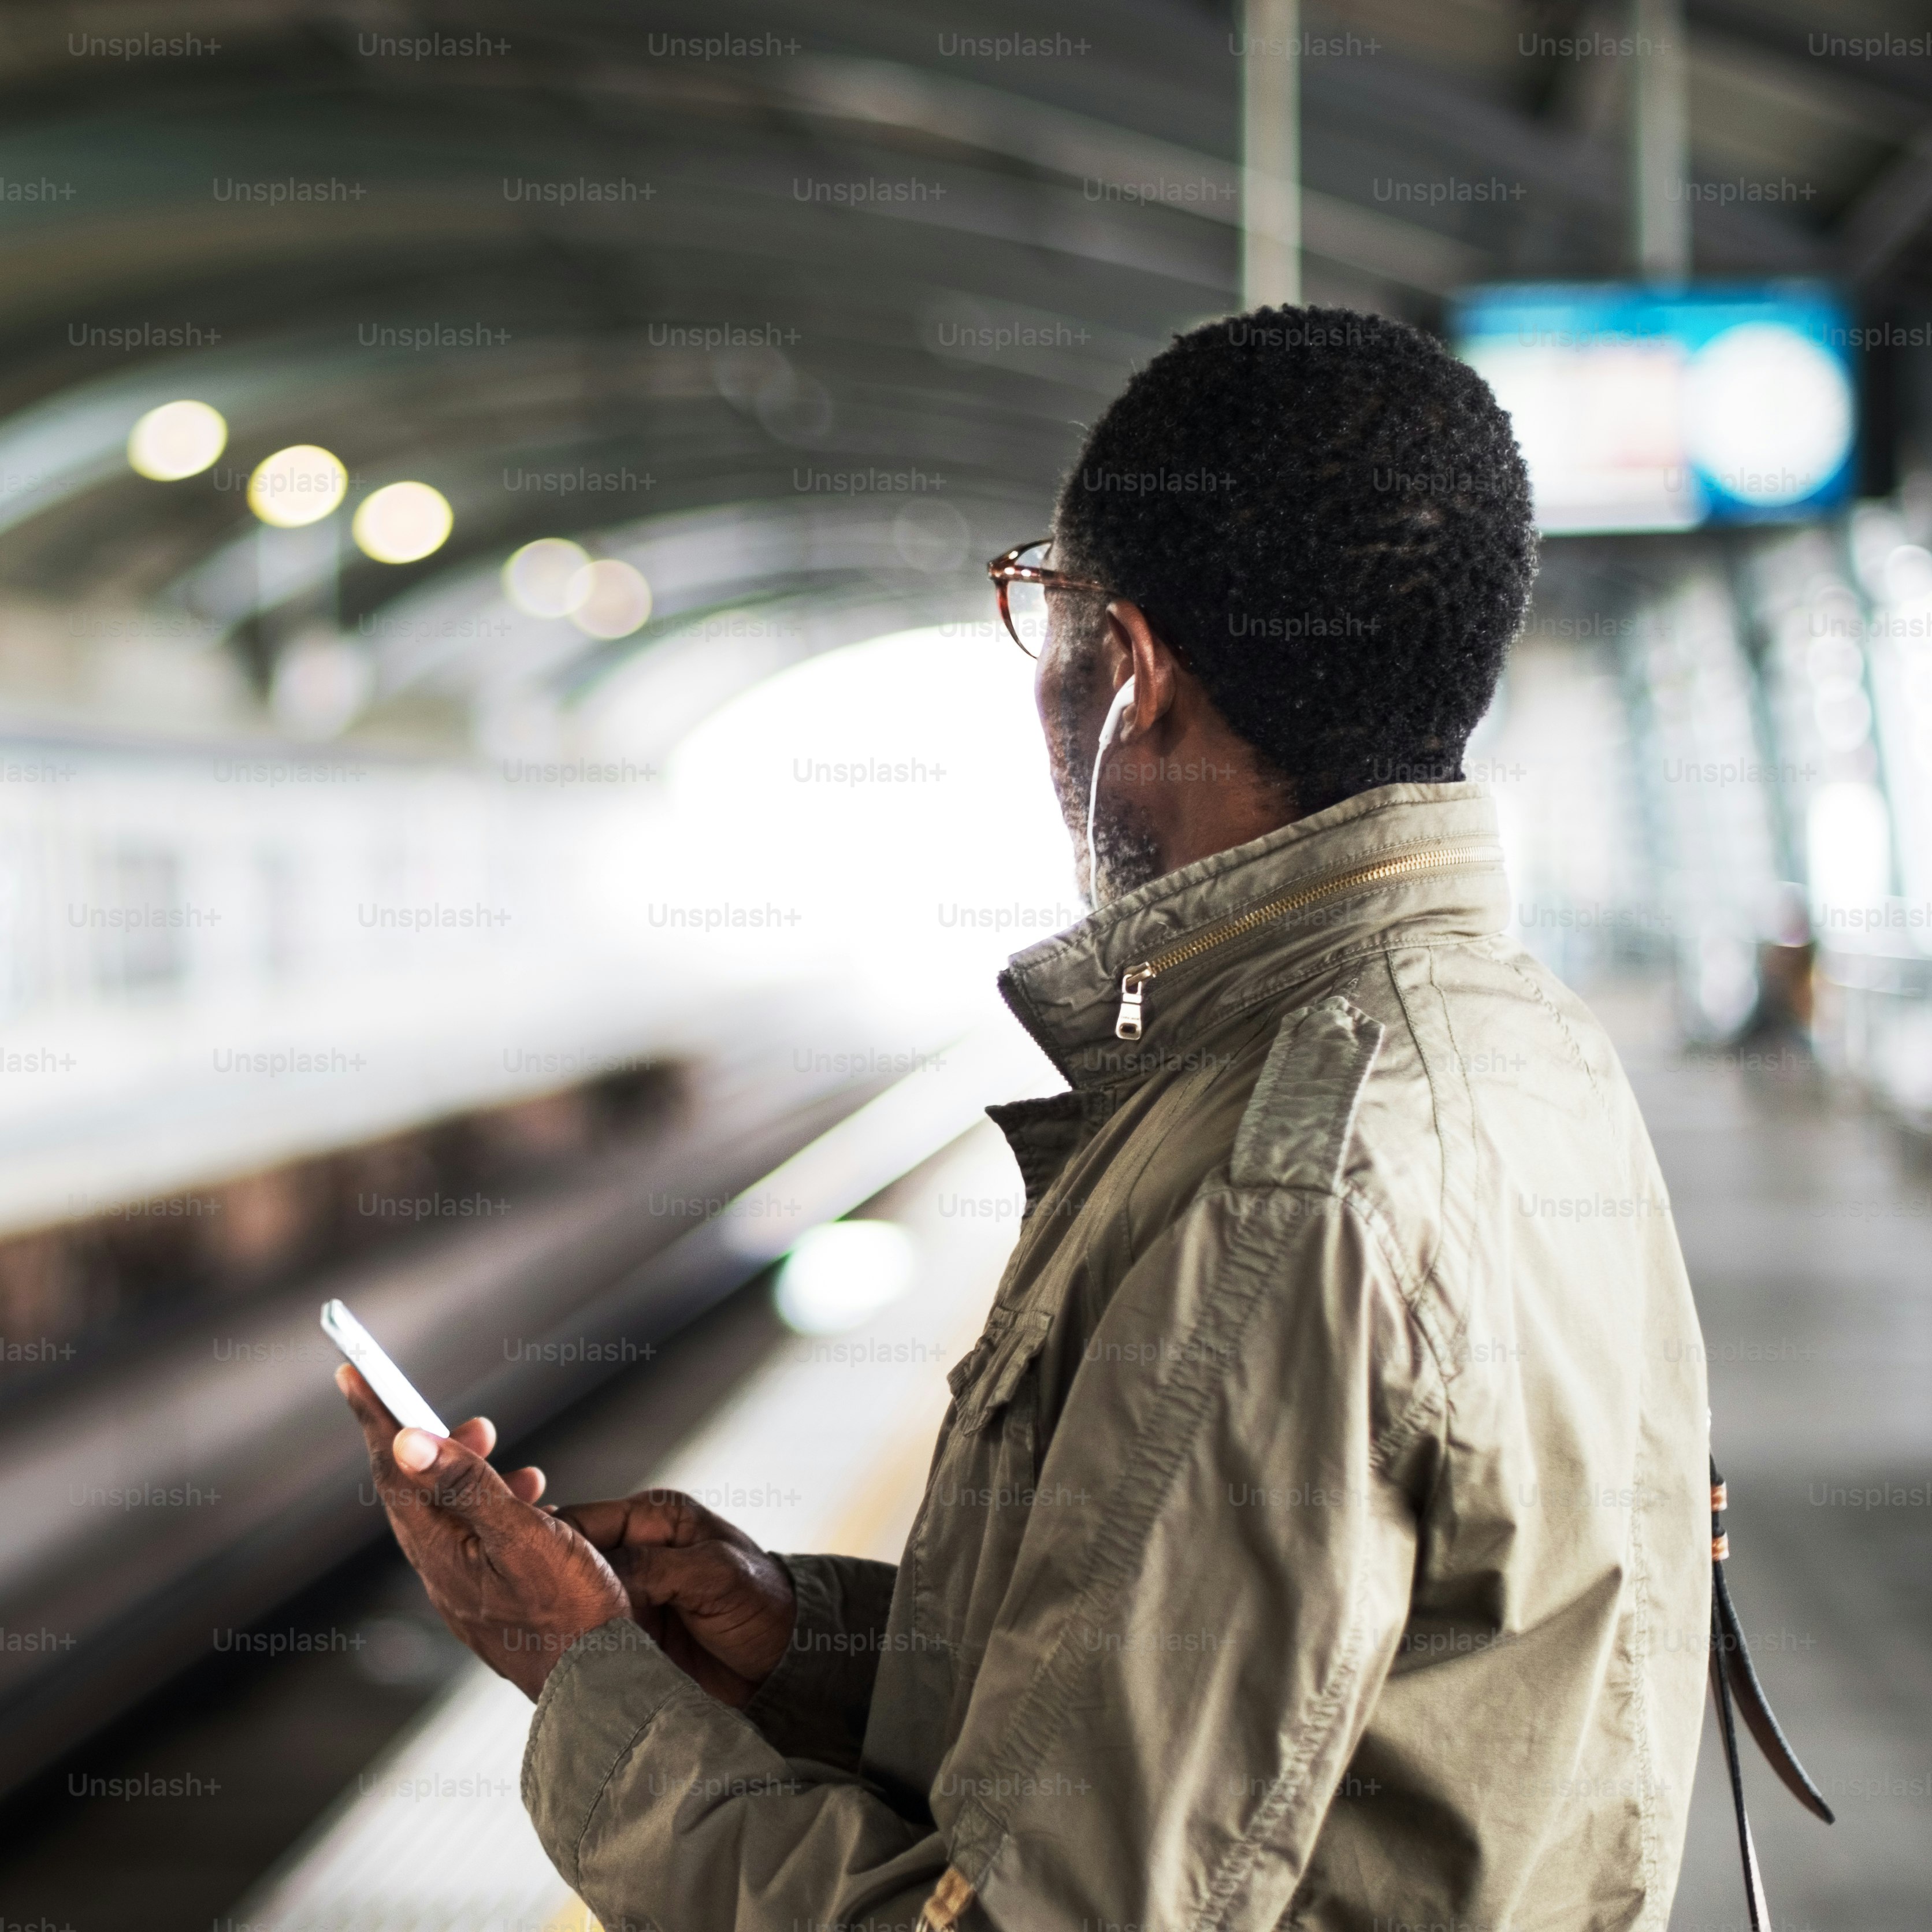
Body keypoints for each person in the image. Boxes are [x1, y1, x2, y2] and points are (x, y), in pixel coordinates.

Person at [341, 306, 1710, 1932]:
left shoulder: (1280, 1188)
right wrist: (798, 1643)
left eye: (1042, 613)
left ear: (1128, 674)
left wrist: (584, 1679)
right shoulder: (1522, 1047)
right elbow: (1261, 1727)